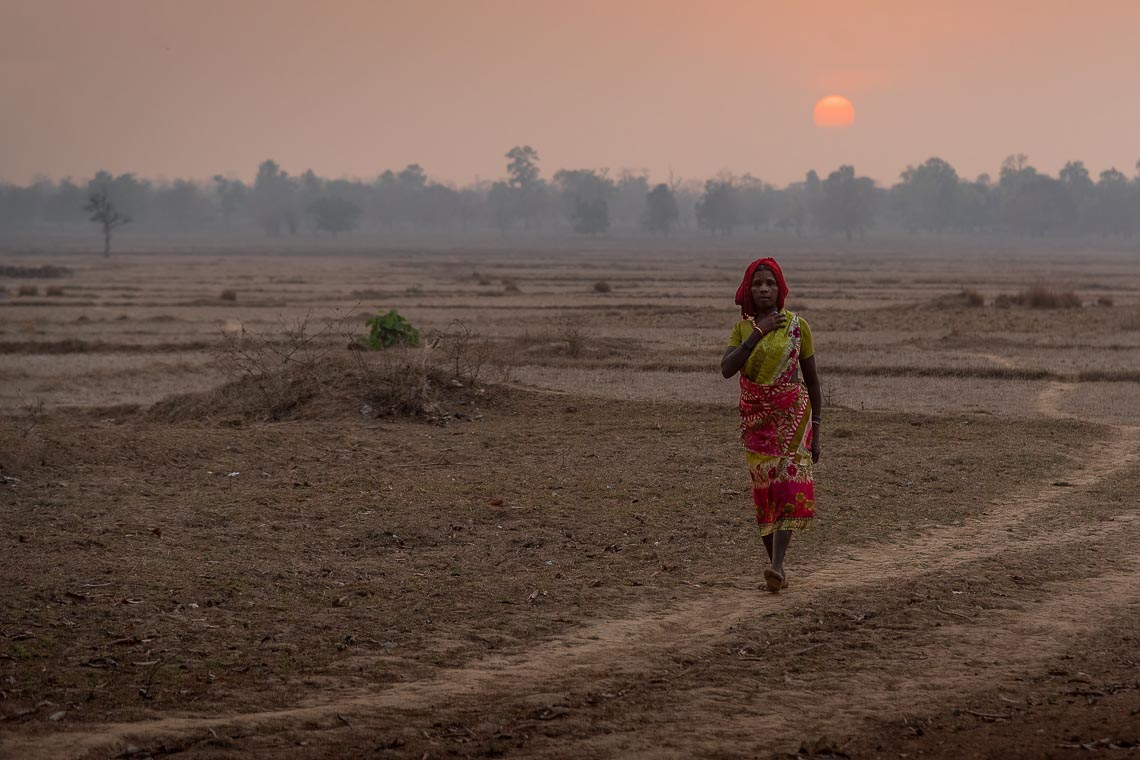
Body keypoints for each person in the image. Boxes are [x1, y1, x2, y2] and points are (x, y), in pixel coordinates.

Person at [720, 258, 821, 593]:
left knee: (788, 489)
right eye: (757, 284)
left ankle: (776, 566)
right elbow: (727, 368)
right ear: (749, 291)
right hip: (757, 421)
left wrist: (817, 429)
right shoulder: (742, 330)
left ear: (780, 290)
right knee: (765, 494)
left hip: (793, 417)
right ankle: (775, 566)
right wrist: (759, 332)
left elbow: (812, 380)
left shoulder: (797, 326)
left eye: (770, 284)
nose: (764, 289)